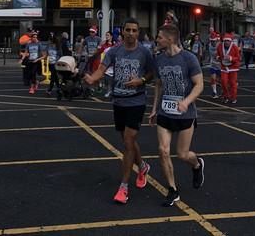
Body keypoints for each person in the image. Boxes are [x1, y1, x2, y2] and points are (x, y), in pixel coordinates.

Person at [84, 18, 154, 204]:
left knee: (128, 141)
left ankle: (123, 187)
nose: (131, 33)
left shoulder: (144, 52)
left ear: (138, 33)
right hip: (119, 101)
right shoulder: (114, 51)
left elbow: (151, 73)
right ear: (122, 32)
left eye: (134, 30)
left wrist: (141, 81)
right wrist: (92, 79)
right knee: (127, 140)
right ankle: (143, 165)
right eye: (128, 30)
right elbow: (102, 68)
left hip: (137, 101)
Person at [150, 24, 205, 207]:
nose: (157, 40)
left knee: (182, 154)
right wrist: (154, 109)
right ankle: (173, 190)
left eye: (159, 37)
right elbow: (158, 84)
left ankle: (197, 165)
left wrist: (187, 101)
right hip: (165, 112)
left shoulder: (189, 58)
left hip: (185, 113)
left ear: (170, 39)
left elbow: (199, 85)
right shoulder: (159, 60)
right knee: (163, 150)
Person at [216, 33, 241, 104]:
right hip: (224, 66)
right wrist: (218, 57)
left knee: (233, 83)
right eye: (225, 41)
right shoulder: (220, 46)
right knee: (223, 82)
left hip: (233, 67)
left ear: (230, 41)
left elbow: (238, 58)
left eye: (228, 41)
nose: (226, 42)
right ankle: (226, 96)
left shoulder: (235, 47)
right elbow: (217, 54)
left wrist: (231, 58)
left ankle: (233, 97)